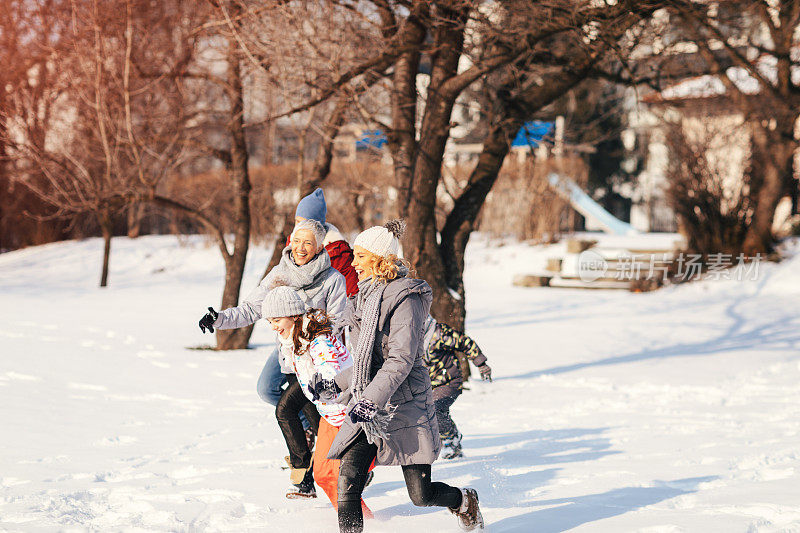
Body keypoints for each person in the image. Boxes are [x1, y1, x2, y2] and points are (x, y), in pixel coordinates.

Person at [320, 220, 484, 532]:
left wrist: (369, 401)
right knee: (348, 479)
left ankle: (463, 500)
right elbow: (370, 361)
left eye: (360, 256)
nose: (353, 263)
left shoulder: (406, 299)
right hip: (371, 406)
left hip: (406, 405)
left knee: (421, 495)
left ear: (381, 260)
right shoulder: (363, 299)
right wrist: (337, 382)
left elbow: (400, 359)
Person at [197, 218, 347, 491]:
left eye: (308, 243)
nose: (301, 248)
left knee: (301, 411)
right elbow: (252, 308)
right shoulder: (280, 273)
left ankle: (325, 472)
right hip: (286, 353)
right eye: (297, 241)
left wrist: (307, 329)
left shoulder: (332, 279)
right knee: (268, 389)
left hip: (314, 358)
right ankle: (312, 444)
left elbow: (338, 321)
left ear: (318, 247)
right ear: (290, 241)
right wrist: (219, 319)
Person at [261, 286, 373, 513]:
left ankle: (359, 519)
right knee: (323, 475)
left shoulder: (318, 342)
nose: (274, 327)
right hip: (329, 418)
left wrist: (324, 385)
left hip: (349, 417)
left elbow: (334, 372)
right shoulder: (294, 341)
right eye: (270, 322)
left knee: (343, 477)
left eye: (277, 320)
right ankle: (361, 519)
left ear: (293, 315)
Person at [255, 188, 359, 410]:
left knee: (309, 403)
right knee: (267, 389)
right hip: (289, 341)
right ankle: (308, 428)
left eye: (303, 221)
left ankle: (317, 435)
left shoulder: (339, 254)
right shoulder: (294, 247)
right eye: (296, 220)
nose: (298, 227)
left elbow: (350, 302)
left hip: (319, 346)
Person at [421, 317, 492, 459]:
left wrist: (481, 363)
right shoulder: (408, 337)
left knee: (434, 408)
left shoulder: (439, 333)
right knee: (424, 413)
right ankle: (437, 442)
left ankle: (451, 438)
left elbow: (465, 342)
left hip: (449, 382)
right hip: (427, 385)